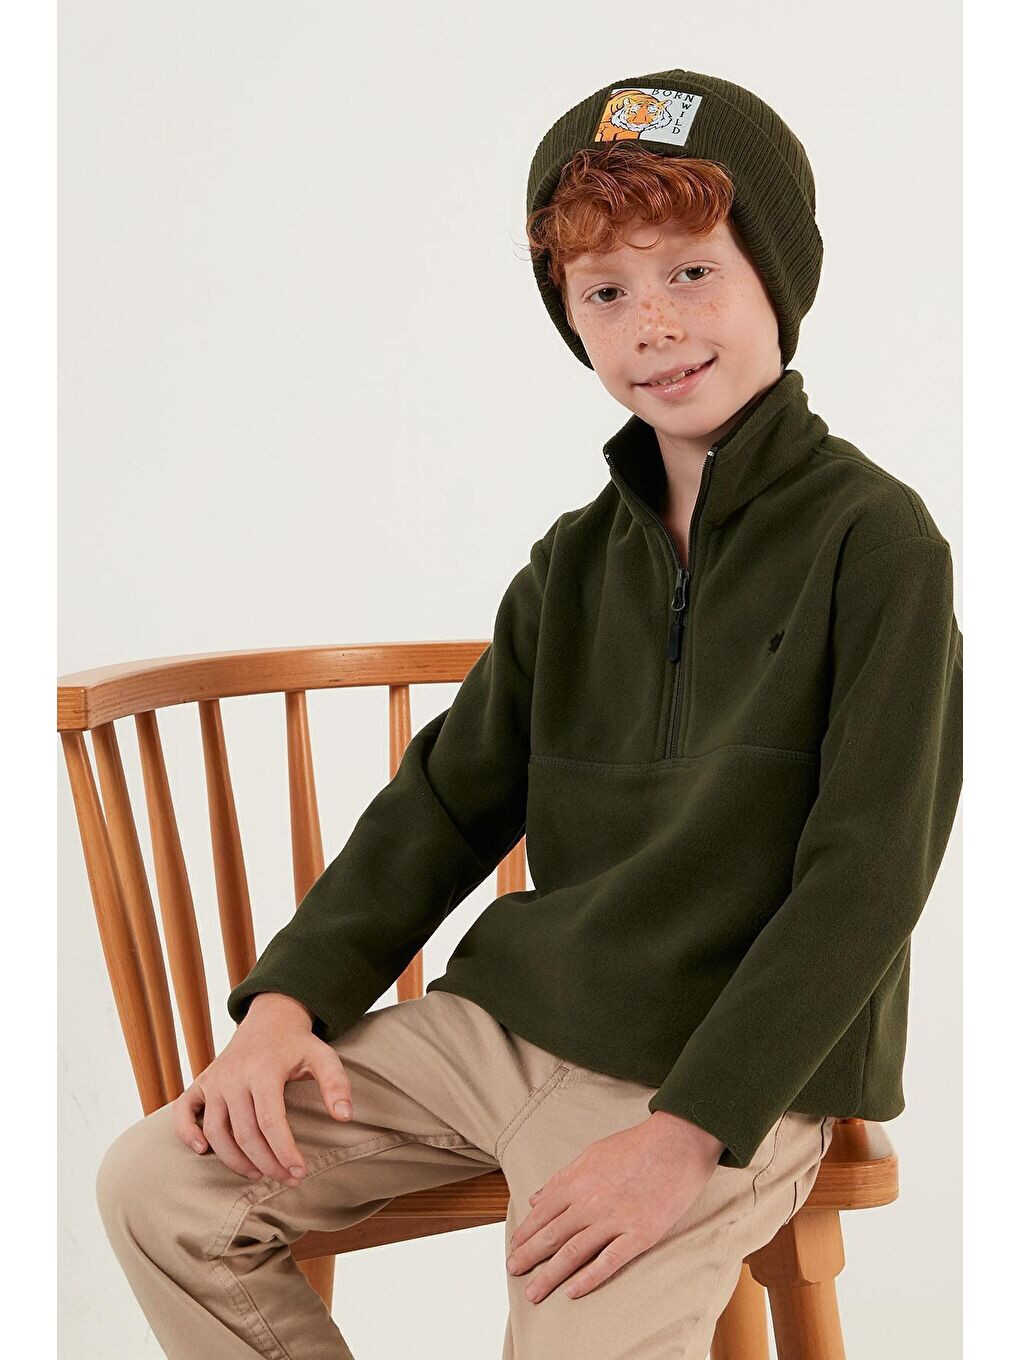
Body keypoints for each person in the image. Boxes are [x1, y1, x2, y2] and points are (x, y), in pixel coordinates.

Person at [94, 68, 963, 1359]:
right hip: (505, 1025)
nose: (652, 324)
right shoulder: (571, 563)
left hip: (718, 1073)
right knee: (159, 1186)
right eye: (606, 293)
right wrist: (286, 1004)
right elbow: (444, 805)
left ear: (778, 278)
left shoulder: (875, 543)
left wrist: (688, 1134)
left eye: (692, 273)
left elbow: (868, 877)